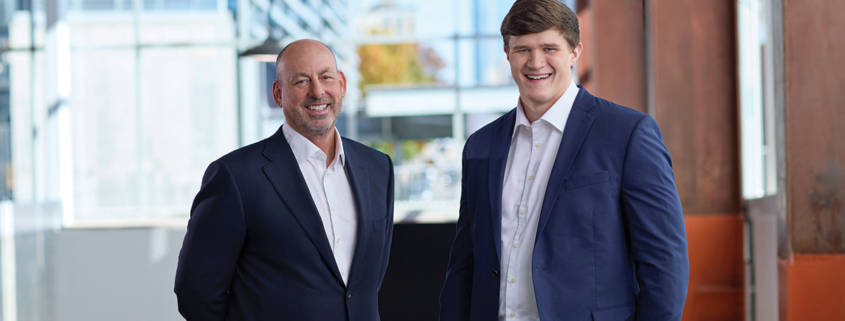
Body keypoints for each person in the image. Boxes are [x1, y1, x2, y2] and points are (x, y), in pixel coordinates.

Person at [439, 1, 689, 320]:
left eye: (549, 48)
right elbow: (464, 265)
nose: (536, 62)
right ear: (507, 54)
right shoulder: (480, 145)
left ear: (574, 52)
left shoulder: (627, 134)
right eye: (523, 50)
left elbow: (665, 262)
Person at [175, 39, 394, 321]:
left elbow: (369, 281)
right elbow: (196, 292)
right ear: (278, 94)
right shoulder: (236, 176)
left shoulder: (378, 167)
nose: (317, 91)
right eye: (301, 81)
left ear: (341, 83)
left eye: (326, 77)